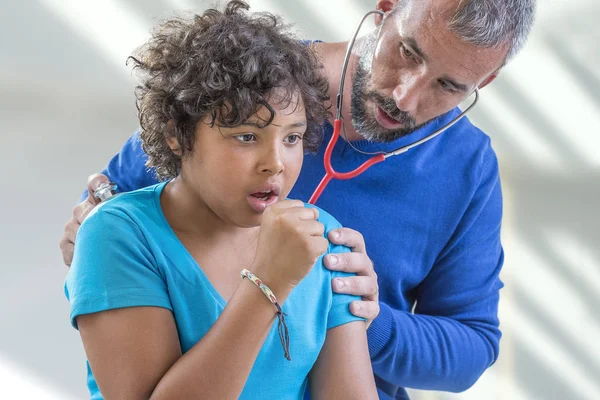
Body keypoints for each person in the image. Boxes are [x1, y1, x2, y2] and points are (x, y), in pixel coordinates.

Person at [60, 0, 536, 398]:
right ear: (387, 9)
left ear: (485, 80)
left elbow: (471, 343)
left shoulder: (465, 172)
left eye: (449, 85)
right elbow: (137, 178)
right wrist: (97, 210)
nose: (405, 96)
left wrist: (371, 318)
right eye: (407, 52)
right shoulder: (252, 74)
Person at [64, 2, 379, 399]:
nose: (276, 164)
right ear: (177, 135)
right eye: (246, 136)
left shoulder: (322, 237)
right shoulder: (117, 236)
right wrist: (270, 281)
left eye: (292, 138)